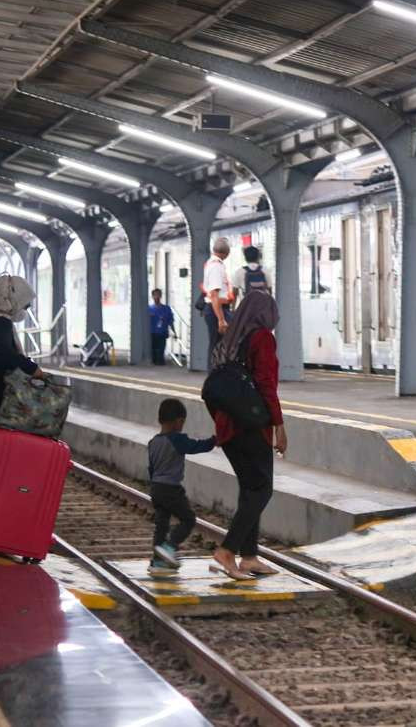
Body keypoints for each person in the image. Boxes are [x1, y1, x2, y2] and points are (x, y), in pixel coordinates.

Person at [208, 291, 285, 579]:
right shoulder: (262, 337)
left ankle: (249, 556)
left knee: (249, 488)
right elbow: (266, 384)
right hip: (251, 426)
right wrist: (279, 425)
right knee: (262, 489)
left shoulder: (228, 338)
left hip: (228, 427)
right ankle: (227, 551)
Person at [147, 398, 215, 577]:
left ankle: (157, 561)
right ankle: (169, 548)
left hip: (156, 488)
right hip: (171, 489)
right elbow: (196, 447)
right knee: (188, 519)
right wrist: (215, 440)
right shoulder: (177, 439)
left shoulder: (153, 442)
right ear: (179, 421)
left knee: (161, 524)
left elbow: (151, 468)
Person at [0, 275, 44, 416]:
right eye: (25, 305)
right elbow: (4, 354)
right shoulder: (0, 322)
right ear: (14, 299)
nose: (25, 310)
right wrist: (32, 368)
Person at [202, 237, 234, 361]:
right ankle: (215, 374)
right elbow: (214, 295)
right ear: (227, 253)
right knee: (217, 344)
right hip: (217, 310)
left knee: (218, 344)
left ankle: (217, 374)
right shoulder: (216, 267)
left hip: (216, 309)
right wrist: (221, 320)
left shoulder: (212, 264)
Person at [148, 288, 175, 366]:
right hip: (152, 332)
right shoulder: (149, 309)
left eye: (158, 295)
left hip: (162, 332)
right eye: (155, 295)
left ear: (161, 296)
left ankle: (160, 361)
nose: (157, 297)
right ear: (152, 296)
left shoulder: (166, 308)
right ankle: (154, 360)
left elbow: (171, 321)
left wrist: (174, 331)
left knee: (161, 348)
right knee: (153, 348)